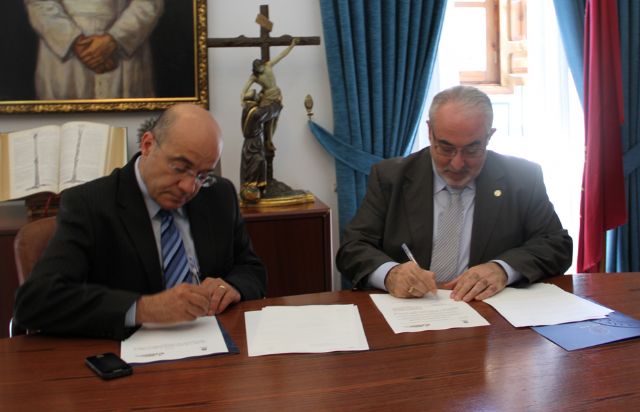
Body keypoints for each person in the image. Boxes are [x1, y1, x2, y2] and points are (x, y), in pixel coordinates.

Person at [13, 104, 267, 340]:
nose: (189, 187)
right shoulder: (90, 205)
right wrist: (143, 308)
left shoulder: (218, 196)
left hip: (216, 345)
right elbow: (35, 303)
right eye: (180, 168)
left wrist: (232, 286)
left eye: (202, 175)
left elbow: (251, 269)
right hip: (128, 356)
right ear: (148, 145)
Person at [336, 85, 572, 302]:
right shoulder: (391, 177)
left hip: (489, 312)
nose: (457, 164)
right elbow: (352, 248)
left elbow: (556, 245)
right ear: (430, 132)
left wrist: (502, 269)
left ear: (489, 137)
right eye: (446, 148)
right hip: (410, 311)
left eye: (472, 149)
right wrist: (390, 274)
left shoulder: (521, 178)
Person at [24, 0, 164, 99]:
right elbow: (39, 3)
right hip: (65, 55)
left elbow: (149, 2)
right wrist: (75, 42)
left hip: (121, 52)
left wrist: (115, 38)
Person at [240, 38, 298, 182]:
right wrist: (242, 100)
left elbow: (282, 55)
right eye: (257, 69)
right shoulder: (254, 76)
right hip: (266, 97)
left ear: (262, 65)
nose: (260, 70)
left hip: (276, 94)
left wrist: (292, 45)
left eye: (260, 68)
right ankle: (268, 140)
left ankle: (270, 140)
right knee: (267, 121)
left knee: (275, 119)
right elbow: (244, 89)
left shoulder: (268, 66)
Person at [239, 89, 280, 202]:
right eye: (257, 96)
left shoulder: (246, 109)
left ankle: (258, 187)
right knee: (256, 162)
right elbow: (270, 112)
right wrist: (277, 104)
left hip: (252, 143)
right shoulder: (256, 113)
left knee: (258, 163)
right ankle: (250, 189)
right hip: (253, 145)